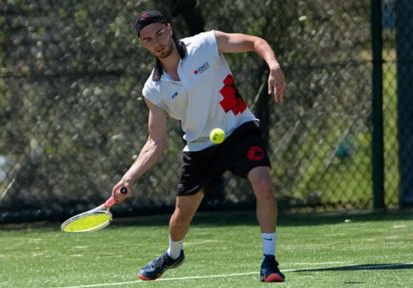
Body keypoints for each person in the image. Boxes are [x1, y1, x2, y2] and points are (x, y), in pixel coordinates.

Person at [111, 9, 286, 283]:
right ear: (143, 44)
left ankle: (269, 260)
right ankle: (173, 254)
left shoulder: (206, 44)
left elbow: (254, 42)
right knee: (180, 218)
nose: (156, 41)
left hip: (240, 128)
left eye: (159, 33)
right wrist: (129, 177)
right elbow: (155, 142)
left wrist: (273, 66)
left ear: (169, 28)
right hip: (200, 147)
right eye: (148, 39)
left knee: (263, 183)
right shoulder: (154, 89)